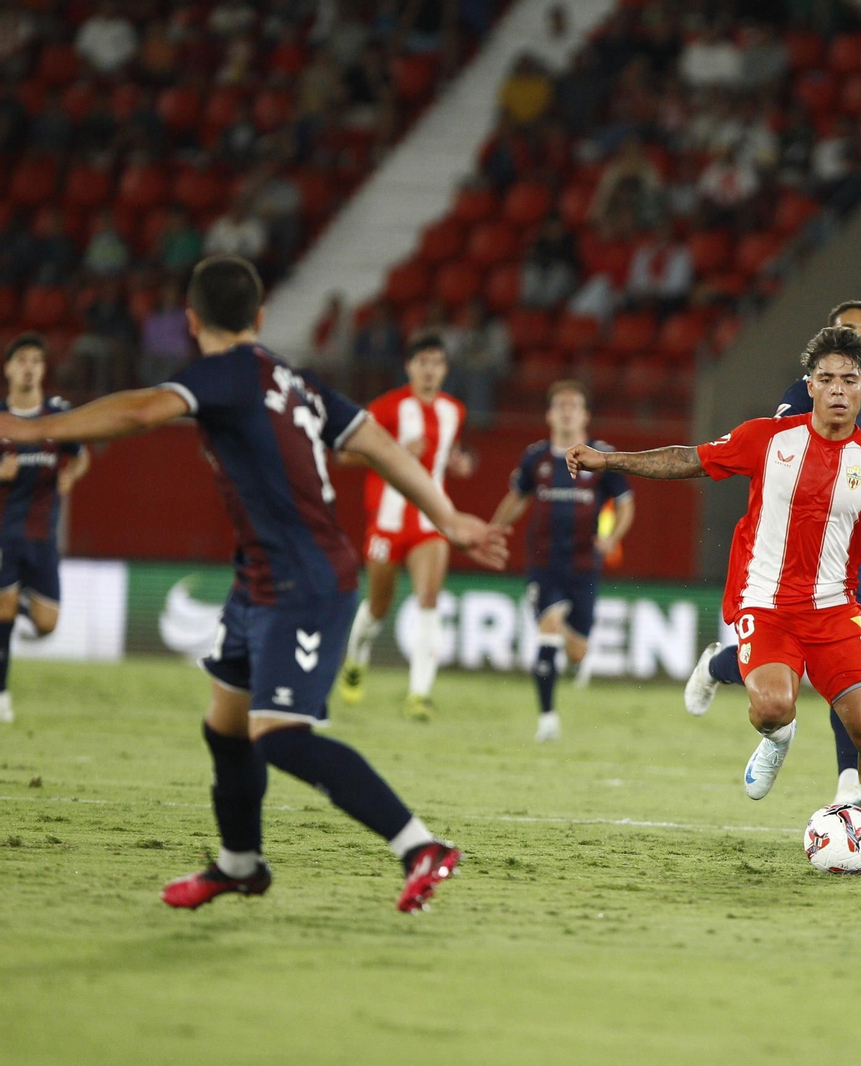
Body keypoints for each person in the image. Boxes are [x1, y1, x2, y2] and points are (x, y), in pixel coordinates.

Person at [0, 256, 508, 911]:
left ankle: (420, 847)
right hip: (261, 576)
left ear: (190, 321)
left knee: (281, 735)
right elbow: (380, 442)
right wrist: (447, 515)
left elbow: (141, 410)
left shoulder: (221, 375)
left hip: (304, 577)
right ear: (260, 317)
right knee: (225, 727)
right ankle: (241, 864)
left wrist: (32, 428)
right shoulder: (292, 379)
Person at [572, 326, 861, 872]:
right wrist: (610, 461)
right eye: (827, 378)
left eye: (850, 380)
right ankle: (778, 733)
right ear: (809, 385)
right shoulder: (768, 438)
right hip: (765, 602)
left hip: (836, 611)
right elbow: (687, 458)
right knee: (771, 706)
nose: (838, 389)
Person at [682, 301, 861, 810]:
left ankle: (850, 786)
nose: (860, 337)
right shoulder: (798, 399)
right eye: (848, 330)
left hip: (843, 567)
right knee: (787, 673)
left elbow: (859, 484)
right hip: (784, 561)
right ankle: (722, 666)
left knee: (850, 679)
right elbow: (789, 470)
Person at [337, 334, 473, 721]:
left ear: (445, 369)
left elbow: (448, 453)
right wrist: (393, 452)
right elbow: (346, 453)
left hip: (431, 521)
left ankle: (419, 694)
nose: (430, 370)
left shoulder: (454, 411)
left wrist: (459, 462)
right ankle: (356, 657)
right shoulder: (387, 408)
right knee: (378, 606)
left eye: (437, 362)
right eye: (423, 362)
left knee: (429, 599)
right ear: (409, 366)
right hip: (387, 520)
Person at [490, 381, 633, 743]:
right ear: (550, 414)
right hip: (543, 561)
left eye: (574, 405)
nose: (567, 411)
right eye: (561, 405)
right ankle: (548, 719)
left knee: (576, 650)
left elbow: (627, 504)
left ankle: (574, 659)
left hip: (585, 564)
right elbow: (517, 498)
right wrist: (491, 530)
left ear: (585, 415)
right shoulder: (535, 457)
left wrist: (612, 538)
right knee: (548, 626)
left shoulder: (602, 456)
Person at [0, 334, 91, 724]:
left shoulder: (57, 416)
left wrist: (71, 473)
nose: (29, 367)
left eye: (37, 360)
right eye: (22, 360)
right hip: (4, 536)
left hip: (42, 539)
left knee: (46, 624)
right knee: (3, 611)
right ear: (7, 369)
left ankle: (12, 601)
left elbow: (81, 455)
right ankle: (1, 695)